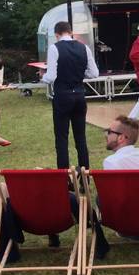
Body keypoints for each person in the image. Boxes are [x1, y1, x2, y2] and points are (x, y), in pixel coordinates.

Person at [41, 21, 99, 170]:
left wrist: (42, 76)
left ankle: (64, 177)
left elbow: (51, 76)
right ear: (71, 32)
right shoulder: (84, 47)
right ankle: (84, 175)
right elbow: (94, 73)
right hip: (79, 95)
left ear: (57, 34)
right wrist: (79, 73)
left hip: (63, 96)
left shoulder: (55, 48)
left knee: (62, 139)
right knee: (81, 138)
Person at [102, 115, 139, 229]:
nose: (106, 135)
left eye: (109, 132)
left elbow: (114, 198)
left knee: (100, 199)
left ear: (121, 138)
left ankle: (129, 232)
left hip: (124, 220)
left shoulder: (111, 162)